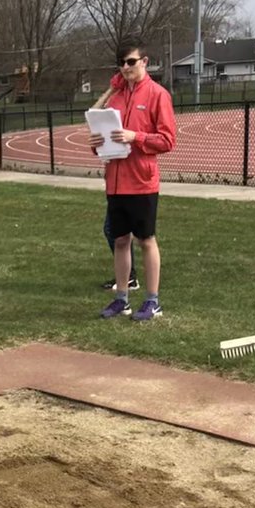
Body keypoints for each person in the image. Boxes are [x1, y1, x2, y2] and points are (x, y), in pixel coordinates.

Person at [90, 36, 176, 322]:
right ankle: (122, 299)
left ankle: (153, 301)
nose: (126, 68)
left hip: (142, 181)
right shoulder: (114, 98)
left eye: (131, 62)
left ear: (144, 62)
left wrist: (135, 137)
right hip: (115, 180)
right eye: (121, 63)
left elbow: (167, 140)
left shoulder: (157, 95)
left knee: (146, 240)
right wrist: (97, 142)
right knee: (120, 241)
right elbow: (100, 138)